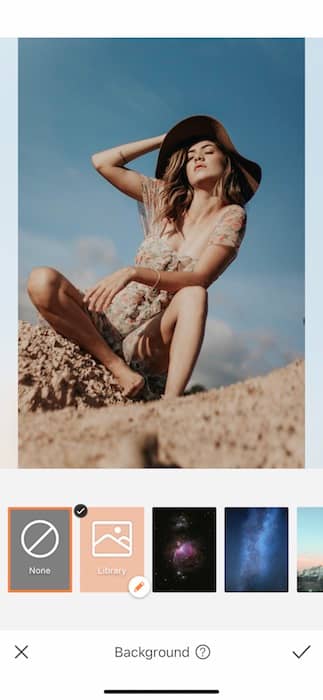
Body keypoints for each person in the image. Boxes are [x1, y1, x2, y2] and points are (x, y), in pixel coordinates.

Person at [27, 115, 261, 400]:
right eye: (190, 156)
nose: (198, 158)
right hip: (103, 319)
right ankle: (115, 367)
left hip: (146, 339)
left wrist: (133, 272)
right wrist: (165, 140)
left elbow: (200, 278)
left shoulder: (232, 215)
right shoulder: (165, 199)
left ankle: (170, 404)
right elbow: (103, 162)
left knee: (194, 295)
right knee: (41, 280)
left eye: (208, 152)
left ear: (227, 163)